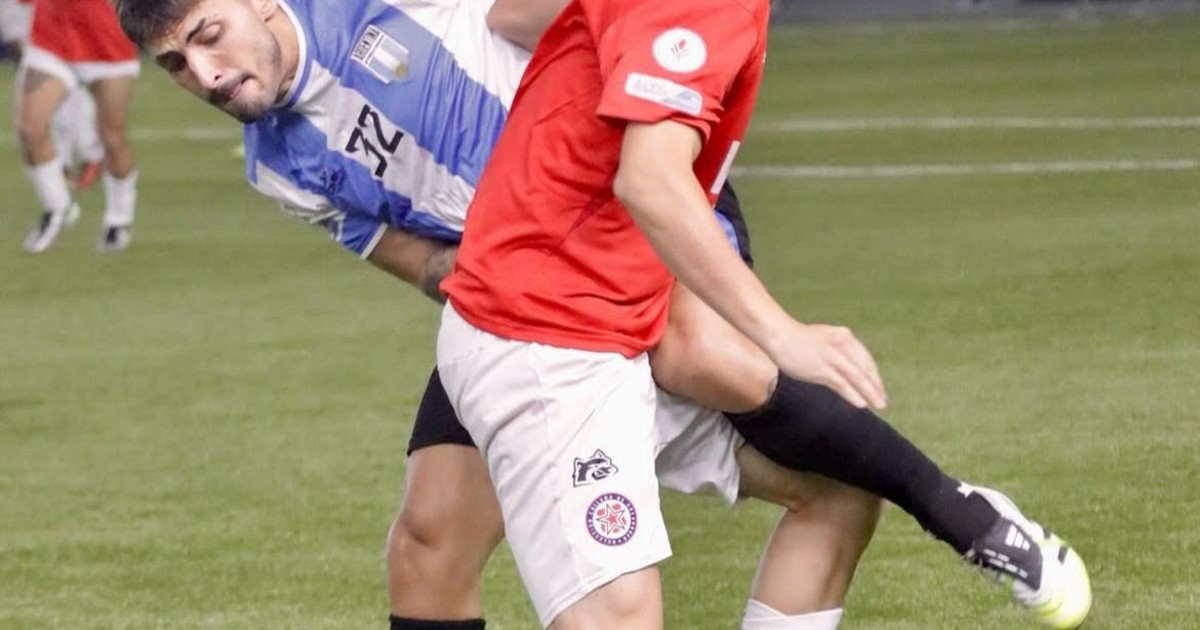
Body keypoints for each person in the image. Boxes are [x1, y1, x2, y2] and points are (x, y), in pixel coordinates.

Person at [115, 0, 1091, 628]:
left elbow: (570, 27)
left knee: (695, 351)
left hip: (628, 216)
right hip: (520, 293)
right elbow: (415, 261)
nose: (205, 74)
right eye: (176, 65)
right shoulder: (278, 168)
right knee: (426, 549)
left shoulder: (387, 10)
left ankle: (961, 513)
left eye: (208, 34)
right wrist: (492, 278)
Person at [439, 0, 1091, 627]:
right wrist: (782, 334)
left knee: (835, 492)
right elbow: (650, 179)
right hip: (550, 338)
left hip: (608, 323)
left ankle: (963, 514)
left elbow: (514, 15)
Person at [18, 0, 140, 254]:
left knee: (112, 137)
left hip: (108, 44)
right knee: (30, 127)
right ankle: (57, 207)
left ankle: (119, 219)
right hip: (53, 41)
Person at [1, 0, 105, 190]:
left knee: (60, 91)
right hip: (26, 22)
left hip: (47, 24)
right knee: (50, 95)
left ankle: (85, 156)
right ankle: (82, 157)